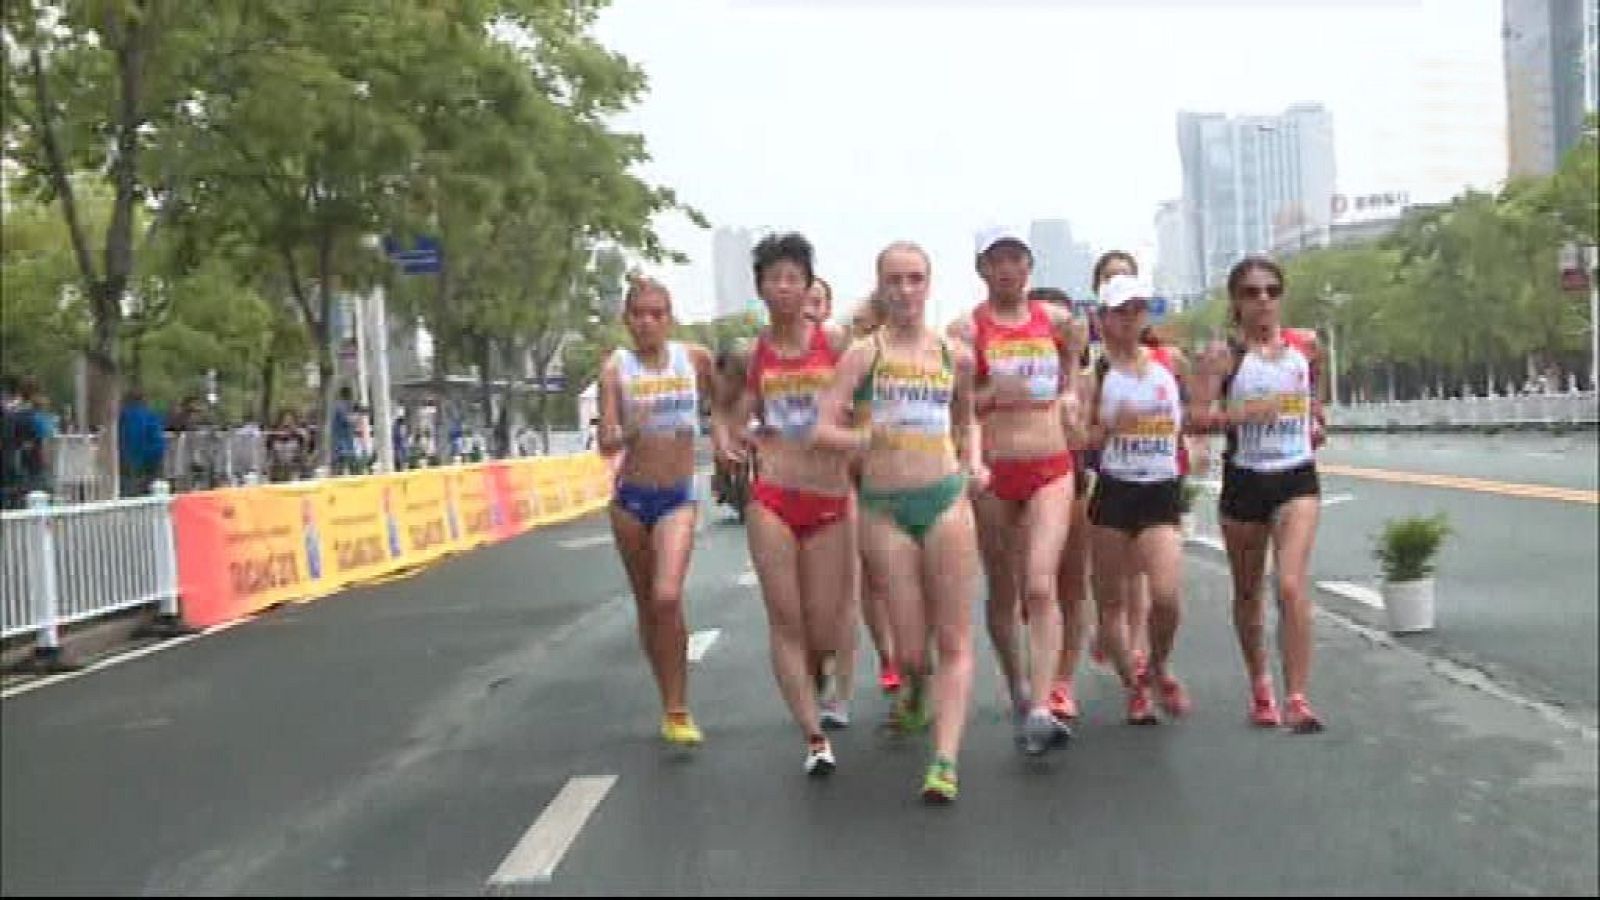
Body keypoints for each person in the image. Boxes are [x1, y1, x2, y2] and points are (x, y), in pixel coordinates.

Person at [813, 241, 984, 803]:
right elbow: (822, 428)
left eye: (915, 279)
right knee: (911, 651)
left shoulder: (952, 355)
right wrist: (863, 438)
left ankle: (945, 760)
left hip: (944, 500)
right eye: (895, 280)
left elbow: (966, 419)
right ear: (880, 286)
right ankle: (912, 688)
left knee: (955, 638)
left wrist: (972, 462)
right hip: (884, 508)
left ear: (929, 285)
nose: (906, 290)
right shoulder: (864, 355)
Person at [719, 234, 855, 775]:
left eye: (793, 277)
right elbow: (727, 403)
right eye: (773, 278)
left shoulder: (837, 342)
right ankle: (814, 737)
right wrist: (728, 438)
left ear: (807, 285)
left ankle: (818, 673)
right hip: (772, 493)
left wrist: (856, 438)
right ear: (760, 287)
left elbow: (862, 399)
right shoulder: (752, 352)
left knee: (824, 627)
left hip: (829, 494)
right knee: (786, 619)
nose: (783, 287)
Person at [948, 227, 1086, 755]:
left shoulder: (1055, 322)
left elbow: (1072, 371)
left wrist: (1070, 396)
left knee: (1039, 584)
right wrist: (988, 395)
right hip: (995, 472)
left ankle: (1043, 705)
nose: (1007, 269)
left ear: (1029, 267)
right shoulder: (965, 329)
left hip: (1050, 465)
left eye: (1016, 259)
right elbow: (959, 408)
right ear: (982, 269)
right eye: (996, 261)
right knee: (1003, 589)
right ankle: (1017, 686)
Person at [1192, 256, 1326, 734]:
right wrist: (1242, 415)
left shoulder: (1306, 346)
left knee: (1289, 584)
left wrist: (1317, 419)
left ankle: (1298, 697)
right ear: (1236, 302)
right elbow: (1195, 418)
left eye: (1271, 290)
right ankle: (1261, 685)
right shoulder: (1222, 356)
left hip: (1296, 477)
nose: (1263, 299)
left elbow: (1315, 393)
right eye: (1251, 292)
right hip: (1245, 480)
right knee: (1248, 593)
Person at [598, 275, 722, 747]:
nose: (647, 323)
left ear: (670, 318)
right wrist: (627, 431)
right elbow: (604, 442)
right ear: (625, 320)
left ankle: (678, 706)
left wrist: (727, 436)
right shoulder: (617, 369)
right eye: (638, 315)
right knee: (649, 605)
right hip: (631, 499)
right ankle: (667, 700)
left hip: (677, 495)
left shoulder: (693, 359)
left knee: (668, 595)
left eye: (656, 314)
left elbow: (724, 401)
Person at [1085, 274, 1195, 723]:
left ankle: (1158, 666)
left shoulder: (1170, 362)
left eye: (1137, 309)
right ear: (1103, 319)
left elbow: (1191, 412)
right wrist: (1111, 426)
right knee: (1111, 604)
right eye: (1120, 311)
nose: (1130, 319)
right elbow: (1078, 437)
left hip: (1160, 487)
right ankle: (1133, 685)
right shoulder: (1094, 373)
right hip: (1115, 490)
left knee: (1166, 596)